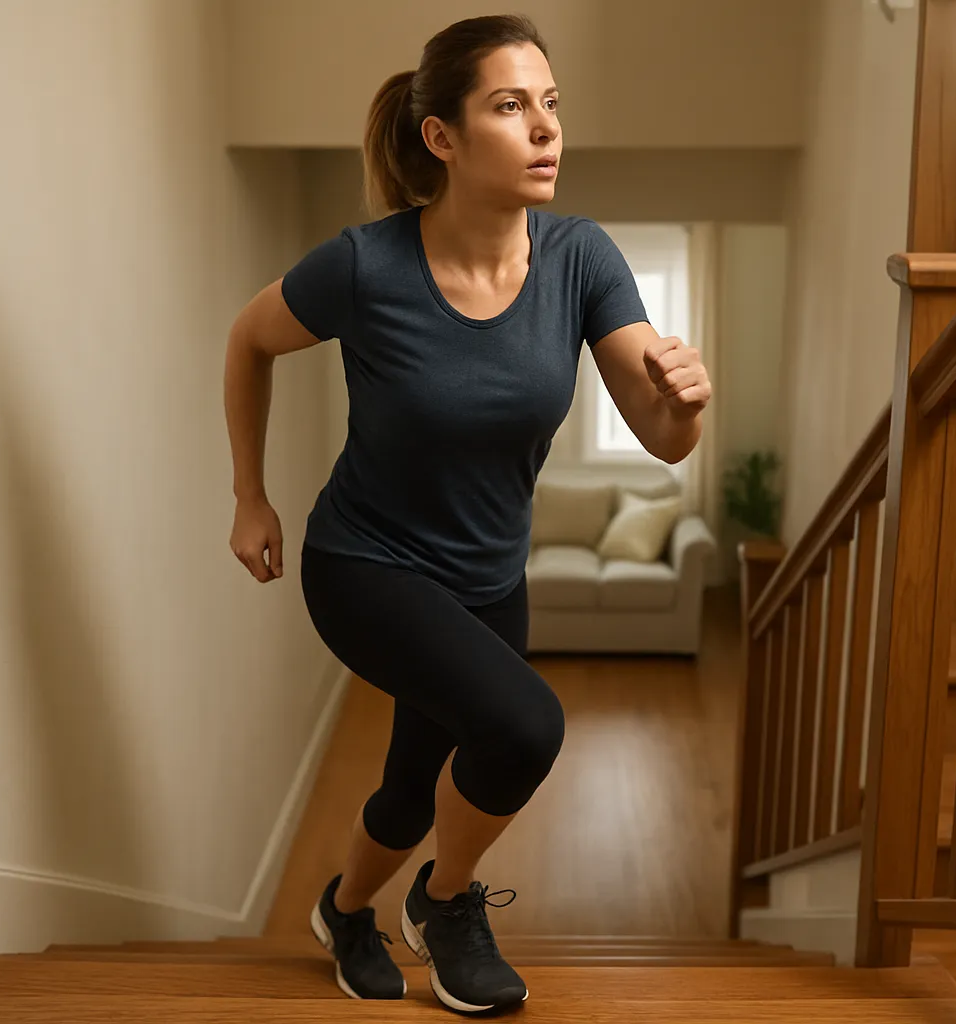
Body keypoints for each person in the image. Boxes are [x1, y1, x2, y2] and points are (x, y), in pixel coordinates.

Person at [222, 12, 711, 1015]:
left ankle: (346, 910)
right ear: (441, 138)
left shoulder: (581, 260)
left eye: (551, 106)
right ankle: (446, 904)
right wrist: (249, 494)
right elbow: (249, 338)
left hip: (490, 578)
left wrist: (688, 404)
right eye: (510, 106)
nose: (546, 130)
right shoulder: (364, 266)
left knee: (412, 787)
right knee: (524, 727)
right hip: (366, 564)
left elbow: (663, 438)